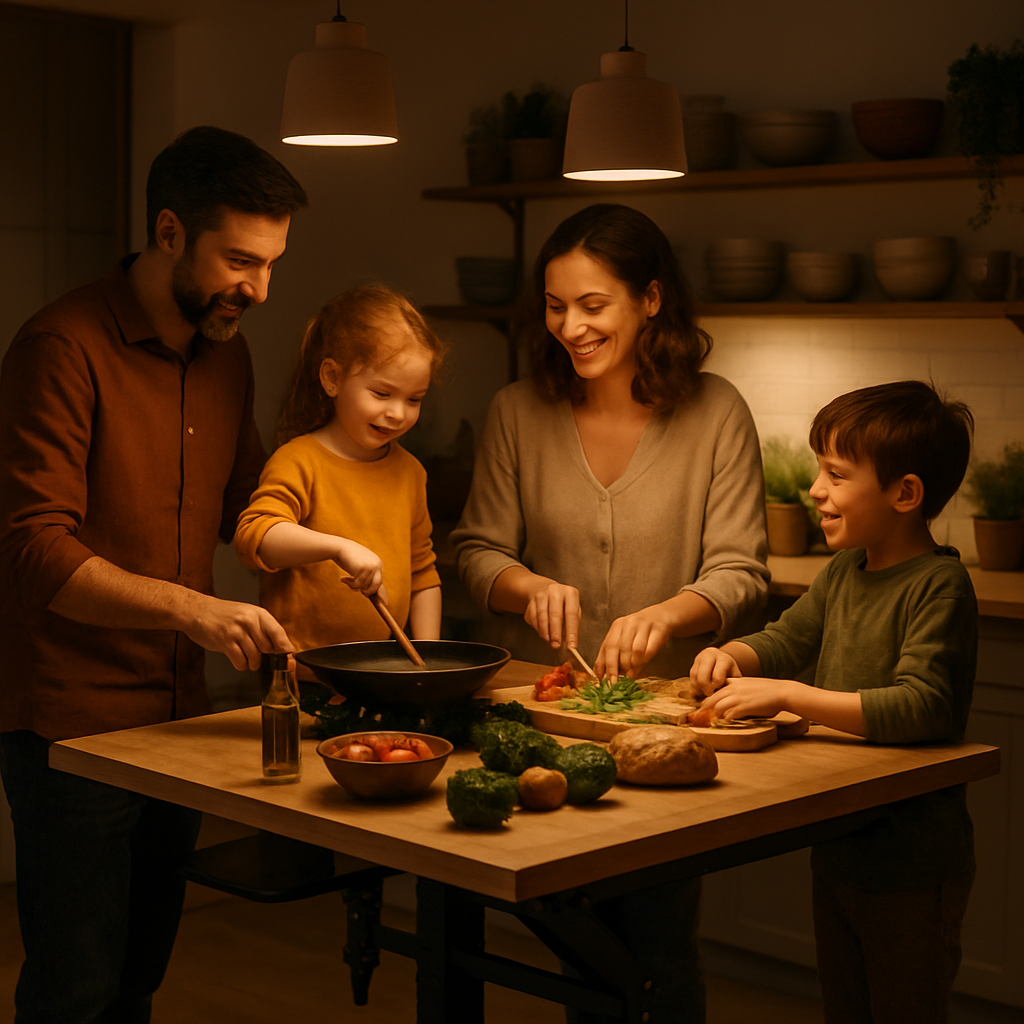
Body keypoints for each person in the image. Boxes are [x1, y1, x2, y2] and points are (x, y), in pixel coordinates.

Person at [0, 125, 307, 1024]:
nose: (258, 289)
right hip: (72, 722)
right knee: (75, 991)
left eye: (273, 263)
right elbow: (32, 551)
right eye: (241, 261)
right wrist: (195, 611)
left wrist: (338, 513)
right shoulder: (60, 347)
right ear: (169, 233)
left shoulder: (228, 351)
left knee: (137, 982)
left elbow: (244, 509)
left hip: (178, 717)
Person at [452, 203, 770, 1022]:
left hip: (663, 733)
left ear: (651, 300)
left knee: (661, 952)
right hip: (544, 721)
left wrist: (669, 612)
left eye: (593, 306)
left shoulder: (716, 411)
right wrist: (525, 585)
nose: (571, 327)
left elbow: (742, 572)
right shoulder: (518, 411)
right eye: (557, 307)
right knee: (579, 954)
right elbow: (474, 550)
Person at [690, 380, 977, 1024]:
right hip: (843, 843)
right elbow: (788, 637)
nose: (816, 489)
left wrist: (791, 695)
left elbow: (922, 705)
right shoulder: (846, 570)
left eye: (836, 474)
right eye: (820, 469)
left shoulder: (940, 584)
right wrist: (733, 655)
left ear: (905, 494)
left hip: (913, 858)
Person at [234, 284, 445, 655]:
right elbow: (257, 537)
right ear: (332, 378)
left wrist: (428, 657)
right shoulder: (299, 460)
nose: (398, 413)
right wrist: (339, 548)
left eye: (414, 399)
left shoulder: (410, 473)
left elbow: (423, 574)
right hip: (303, 672)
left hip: (378, 671)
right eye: (382, 393)